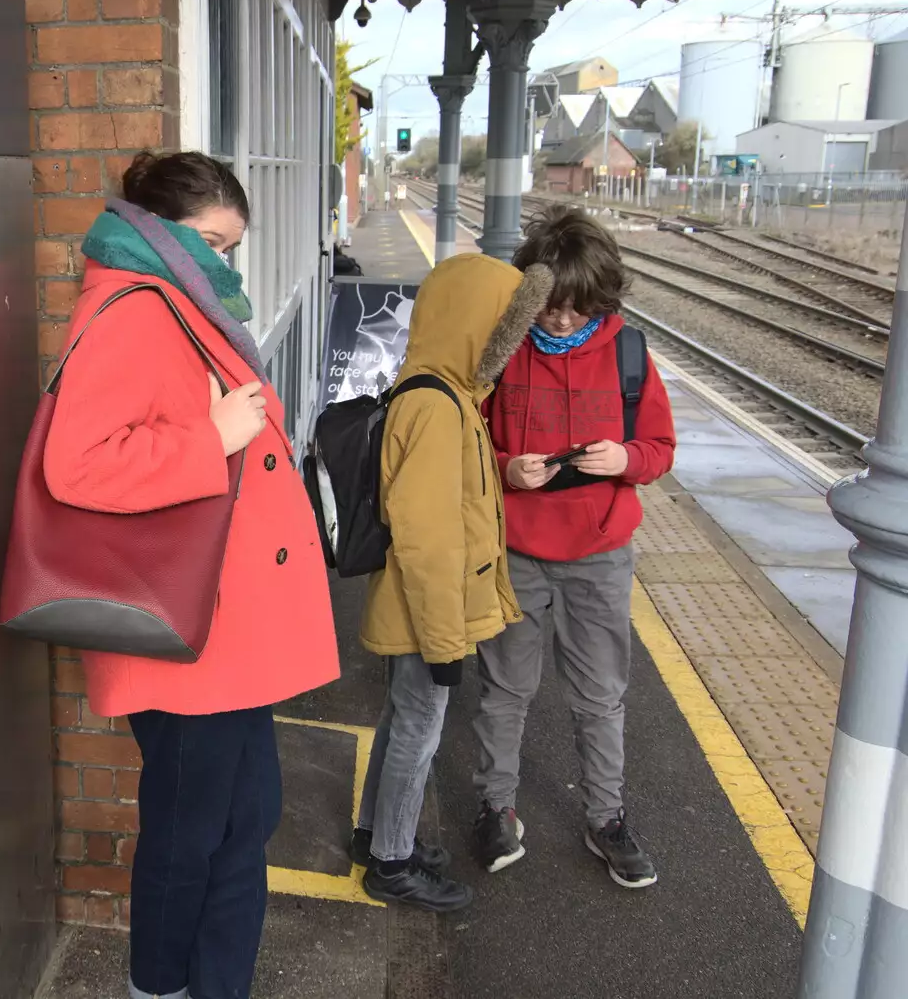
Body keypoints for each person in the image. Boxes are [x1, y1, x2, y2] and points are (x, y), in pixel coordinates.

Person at [43, 152, 341, 999]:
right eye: (211, 241)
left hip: (223, 627)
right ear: (161, 233)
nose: (224, 262)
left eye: (231, 247)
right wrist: (211, 436)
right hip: (183, 629)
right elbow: (80, 466)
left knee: (243, 824)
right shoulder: (136, 308)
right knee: (189, 833)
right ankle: (161, 987)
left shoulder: (183, 301)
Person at [471, 206, 676, 889]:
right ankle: (496, 807)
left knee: (600, 696)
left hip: (599, 555)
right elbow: (464, 438)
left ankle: (606, 817)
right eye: (548, 306)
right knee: (505, 689)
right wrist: (503, 467)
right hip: (516, 550)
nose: (558, 320)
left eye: (574, 307)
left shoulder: (629, 354)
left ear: (601, 298)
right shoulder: (502, 349)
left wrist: (625, 458)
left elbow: (660, 450)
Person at [350, 252, 554, 912]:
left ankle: (377, 835)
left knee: (402, 717)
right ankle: (392, 862)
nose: (507, 347)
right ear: (474, 325)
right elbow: (429, 541)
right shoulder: (439, 408)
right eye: (501, 330)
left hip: (419, 605)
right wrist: (444, 645)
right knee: (419, 725)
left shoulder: (442, 392)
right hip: (426, 611)